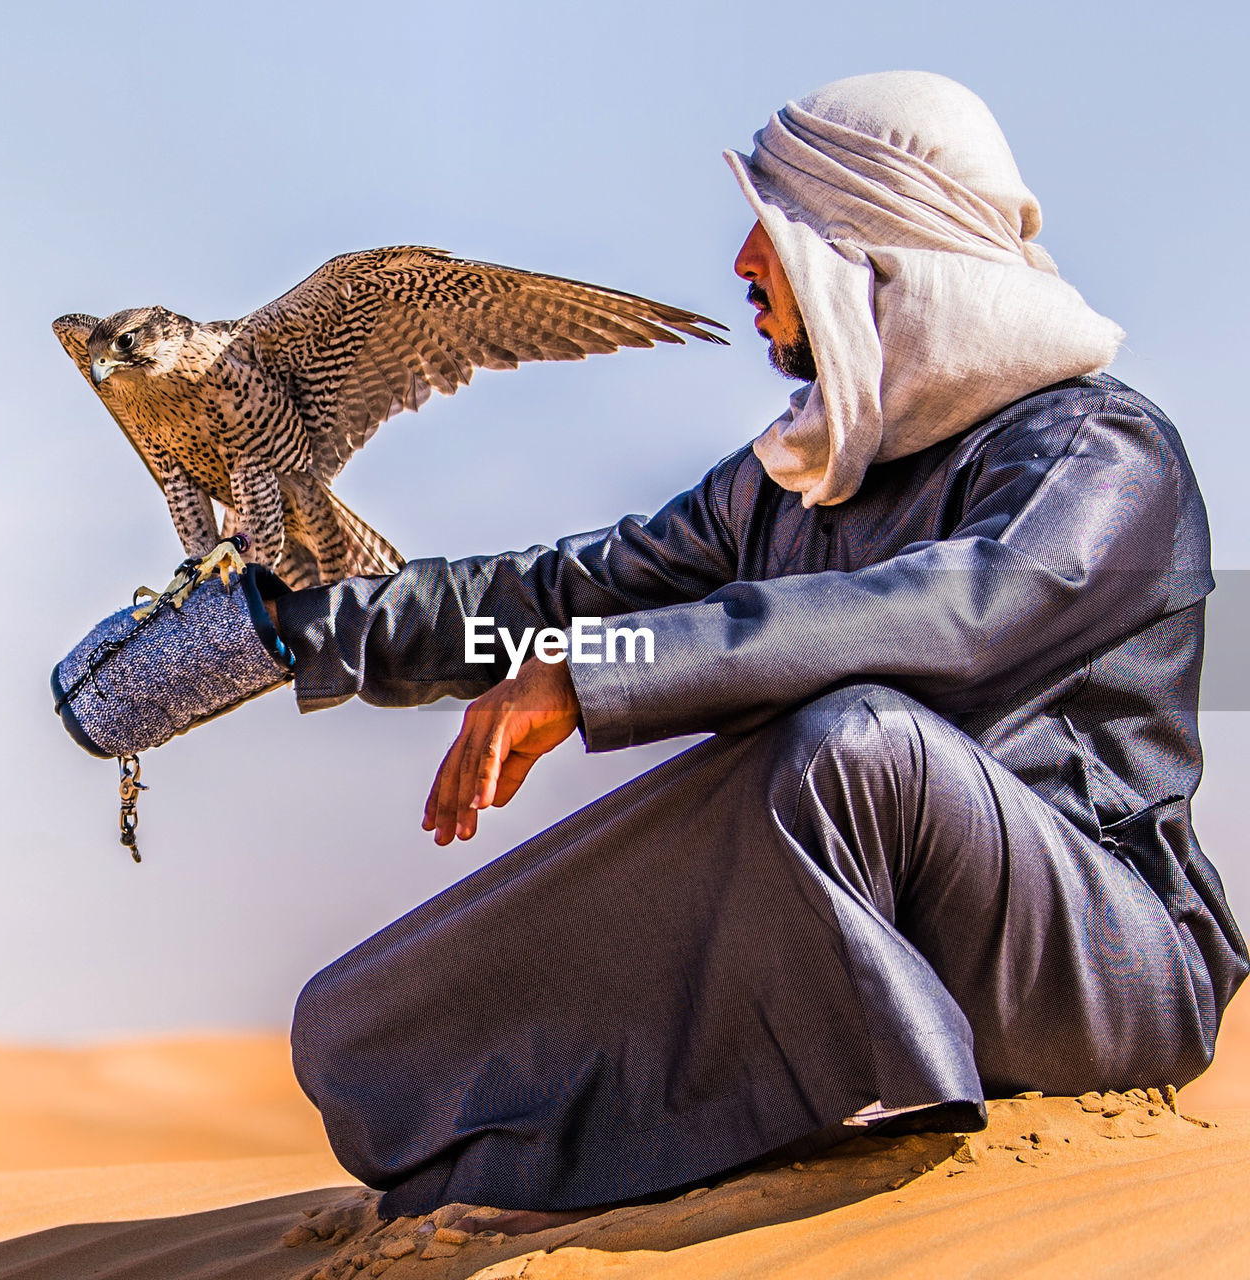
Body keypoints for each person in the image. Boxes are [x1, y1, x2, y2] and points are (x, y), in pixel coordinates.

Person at [267, 71, 1247, 1229]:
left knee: (849, 745)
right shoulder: (793, 478)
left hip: (1108, 969)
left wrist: (594, 677)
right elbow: (556, 595)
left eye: (773, 228)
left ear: (869, 248)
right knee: (358, 1024)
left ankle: (834, 1164)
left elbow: (949, 610)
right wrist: (298, 630)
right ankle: (507, 1132)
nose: (740, 262)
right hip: (903, 919)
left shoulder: (1100, 453)